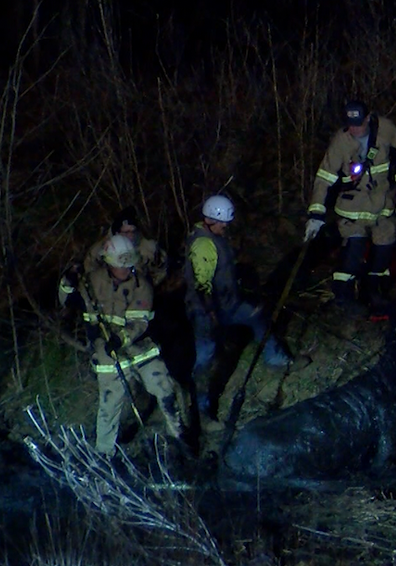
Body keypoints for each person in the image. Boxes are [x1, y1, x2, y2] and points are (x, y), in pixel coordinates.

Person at [77, 234, 187, 458]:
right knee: (109, 404)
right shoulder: (92, 281)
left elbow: (139, 322)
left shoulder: (141, 285)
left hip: (138, 347)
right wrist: (68, 286)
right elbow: (75, 302)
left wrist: (121, 339)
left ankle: (179, 440)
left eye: (129, 265)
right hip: (107, 352)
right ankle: (104, 456)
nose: (126, 270)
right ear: (109, 263)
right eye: (121, 266)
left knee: (163, 387)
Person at [187, 195, 291, 430]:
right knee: (205, 356)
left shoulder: (215, 238)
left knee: (256, 314)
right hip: (207, 310)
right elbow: (202, 285)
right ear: (209, 220)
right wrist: (211, 313)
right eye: (222, 222)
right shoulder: (203, 244)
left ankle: (275, 358)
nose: (226, 226)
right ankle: (201, 410)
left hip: (228, 304)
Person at [304, 100, 396, 317]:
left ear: (368, 118)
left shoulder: (386, 130)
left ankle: (374, 292)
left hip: (383, 205)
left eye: (358, 124)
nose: (354, 129)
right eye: (350, 124)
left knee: (384, 248)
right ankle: (343, 297)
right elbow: (324, 178)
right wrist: (315, 214)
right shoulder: (341, 142)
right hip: (352, 209)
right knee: (353, 250)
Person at [82, 205, 169, 286]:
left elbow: (161, 271)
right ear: (117, 232)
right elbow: (89, 269)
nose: (130, 235)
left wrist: (148, 285)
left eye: (133, 231)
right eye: (126, 232)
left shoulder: (149, 248)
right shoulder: (101, 248)